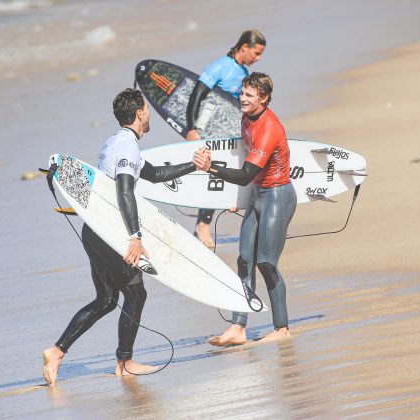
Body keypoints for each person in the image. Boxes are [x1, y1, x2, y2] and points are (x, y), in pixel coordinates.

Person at [42, 88, 210, 384]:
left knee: (107, 299)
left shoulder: (115, 142)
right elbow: (123, 190)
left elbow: (155, 175)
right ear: (140, 114)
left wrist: (193, 166)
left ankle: (56, 352)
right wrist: (134, 236)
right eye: (146, 109)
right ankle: (125, 362)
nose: (149, 114)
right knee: (135, 294)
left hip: (93, 230)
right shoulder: (127, 147)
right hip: (112, 233)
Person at [193, 72, 296, 346]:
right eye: (242, 93)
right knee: (244, 261)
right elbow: (246, 166)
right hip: (257, 196)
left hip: (278, 196)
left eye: (249, 95)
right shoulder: (246, 118)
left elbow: (246, 173)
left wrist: (210, 168)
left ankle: (282, 327)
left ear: (263, 98)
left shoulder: (268, 128)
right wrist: (237, 198)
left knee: (266, 262)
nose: (242, 98)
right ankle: (238, 328)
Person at [185, 29, 266, 248]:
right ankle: (203, 225)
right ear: (244, 48)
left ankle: (209, 222)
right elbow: (197, 93)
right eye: (256, 53)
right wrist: (191, 128)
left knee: (233, 173)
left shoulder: (241, 70)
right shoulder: (221, 66)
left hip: (229, 132)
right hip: (210, 133)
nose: (258, 58)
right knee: (214, 175)